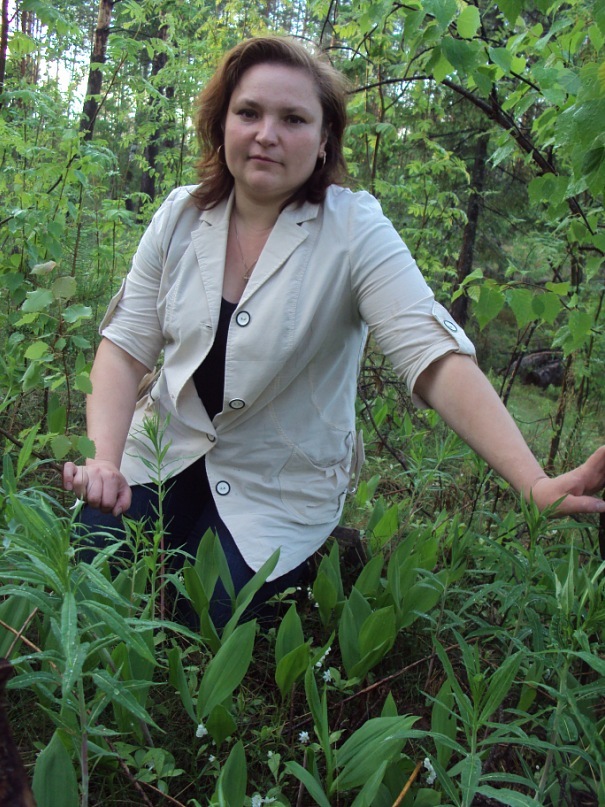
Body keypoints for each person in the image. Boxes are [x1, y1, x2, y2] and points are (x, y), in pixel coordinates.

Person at [63, 36, 605, 627]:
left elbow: (432, 355)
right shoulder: (180, 215)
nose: (266, 134)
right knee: (95, 570)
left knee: (207, 616)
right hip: (165, 449)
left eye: (293, 119)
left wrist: (532, 482)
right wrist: (106, 462)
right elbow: (124, 348)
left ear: (324, 140)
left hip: (278, 484)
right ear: (222, 125)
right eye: (249, 113)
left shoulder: (354, 229)